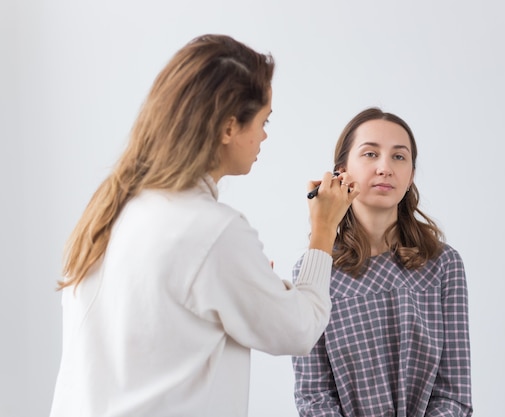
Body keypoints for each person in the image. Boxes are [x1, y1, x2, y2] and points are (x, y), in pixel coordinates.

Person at [49, 34, 359, 417]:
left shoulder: (111, 210)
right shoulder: (212, 232)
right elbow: (300, 328)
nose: (264, 135)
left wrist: (253, 284)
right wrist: (324, 229)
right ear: (229, 128)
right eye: (263, 120)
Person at [292, 107, 473, 416]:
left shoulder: (443, 265)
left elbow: (454, 396)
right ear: (341, 170)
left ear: (411, 175)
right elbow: (314, 397)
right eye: (370, 154)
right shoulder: (315, 269)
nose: (385, 168)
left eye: (399, 157)